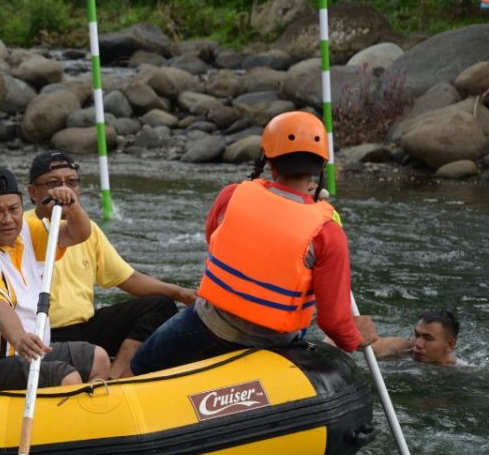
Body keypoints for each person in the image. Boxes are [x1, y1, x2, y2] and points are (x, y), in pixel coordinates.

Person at [130, 111, 377, 376]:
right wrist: (354, 338)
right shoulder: (328, 233)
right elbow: (333, 322)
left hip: (209, 325)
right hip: (275, 345)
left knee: (140, 365)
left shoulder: (232, 195)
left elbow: (214, 241)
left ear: (268, 162)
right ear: (320, 168)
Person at [27, 151, 196, 378]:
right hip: (44, 334)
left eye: (72, 182)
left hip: (86, 326)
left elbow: (128, 278)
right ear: (33, 192)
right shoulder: (22, 228)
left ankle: (117, 375)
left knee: (160, 305)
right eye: (54, 183)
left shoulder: (88, 229)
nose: (65, 190)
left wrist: (181, 293)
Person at [0, 166, 110, 389]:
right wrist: (21, 339)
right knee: (67, 378)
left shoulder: (27, 232)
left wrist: (72, 208)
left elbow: (79, 234)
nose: (8, 220)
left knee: (98, 358)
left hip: (27, 351)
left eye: (14, 209)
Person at [360, 310, 462, 365]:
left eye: (428, 338)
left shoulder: (461, 368)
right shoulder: (403, 347)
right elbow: (377, 345)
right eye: (417, 335)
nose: (417, 344)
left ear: (450, 345)